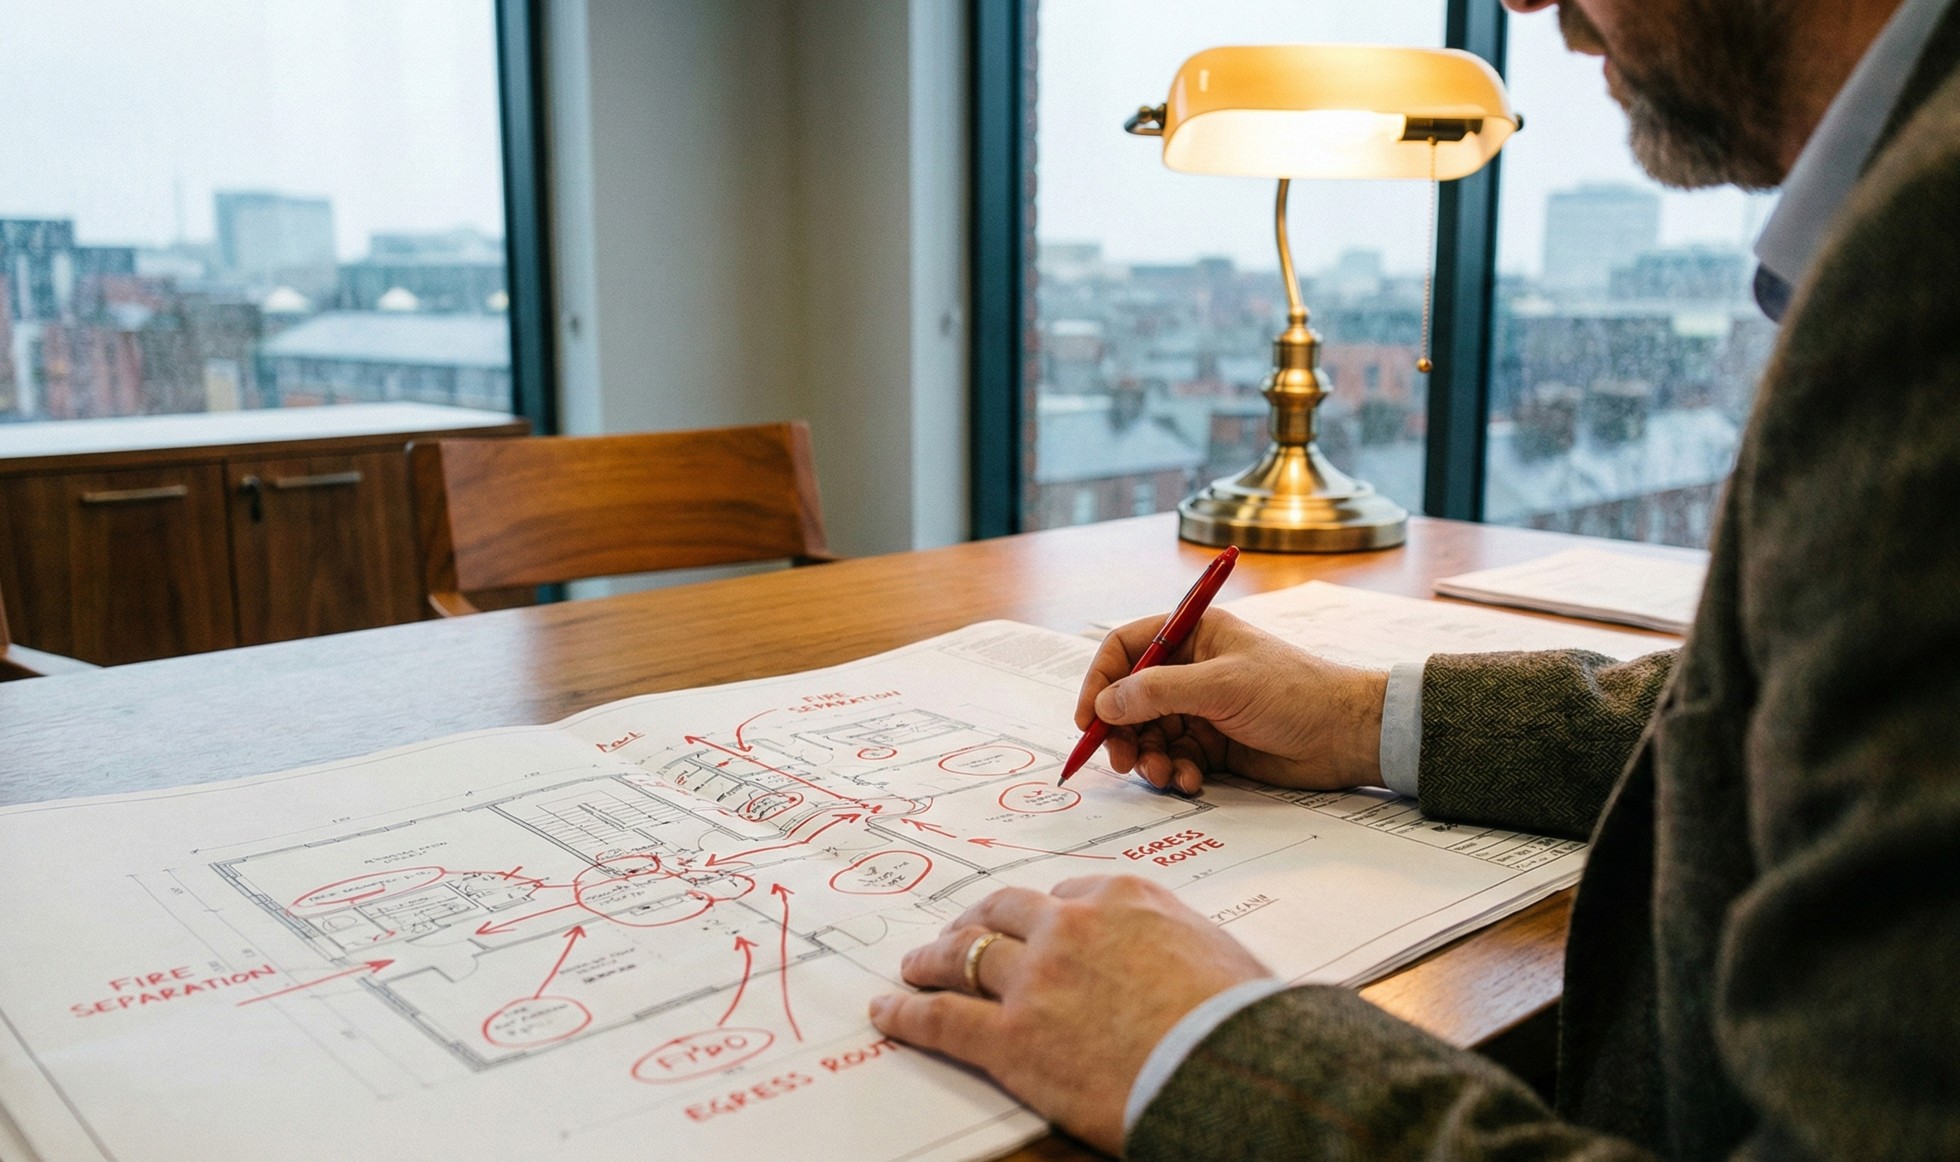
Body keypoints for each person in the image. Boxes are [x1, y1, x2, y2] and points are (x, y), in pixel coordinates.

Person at [868, 0, 1960, 1155]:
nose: (1527, 3)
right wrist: (1356, 719)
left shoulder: (1923, 254)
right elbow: (1779, 714)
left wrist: (1211, 1047)